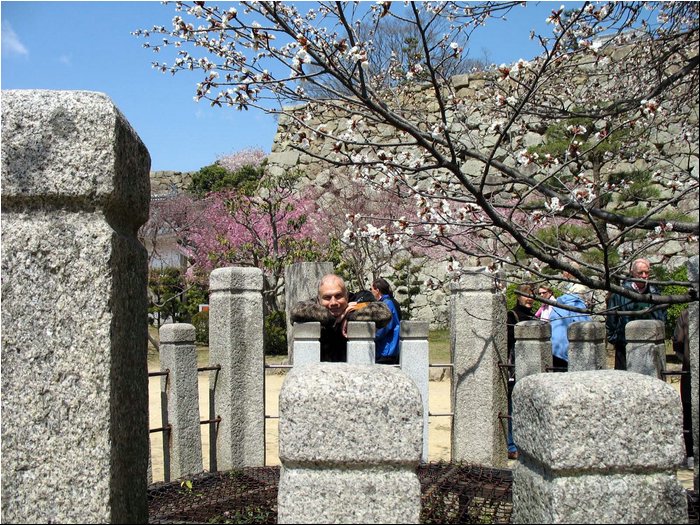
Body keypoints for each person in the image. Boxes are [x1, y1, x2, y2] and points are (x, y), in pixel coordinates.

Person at [290, 274, 391, 362]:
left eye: (338, 296)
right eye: (327, 297)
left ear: (347, 296)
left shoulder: (357, 299)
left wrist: (350, 315)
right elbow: (296, 312)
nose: (333, 302)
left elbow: (384, 313)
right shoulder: (313, 305)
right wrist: (334, 319)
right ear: (318, 299)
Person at [605, 258, 667, 370]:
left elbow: (662, 317)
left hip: (650, 347)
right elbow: (611, 320)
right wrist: (617, 340)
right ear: (633, 273)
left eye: (647, 272)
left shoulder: (655, 293)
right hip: (624, 347)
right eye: (640, 273)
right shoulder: (620, 293)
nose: (644, 276)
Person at [506, 283, 536, 460]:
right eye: (526, 294)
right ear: (518, 296)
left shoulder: (535, 316)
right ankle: (512, 444)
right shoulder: (512, 315)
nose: (530, 297)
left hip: (533, 367)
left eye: (532, 294)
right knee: (513, 406)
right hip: (517, 367)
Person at [548, 291, 592, 371]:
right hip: (566, 350)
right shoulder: (578, 305)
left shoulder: (558, 304)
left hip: (553, 347)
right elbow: (587, 328)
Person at [673, 308, 694, 468]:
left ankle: (691, 454)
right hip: (690, 369)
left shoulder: (687, 313)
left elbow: (678, 342)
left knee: (689, 411)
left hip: (691, 369)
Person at [370, 277, 402, 364]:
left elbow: (385, 326)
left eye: (371, 289)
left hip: (387, 349)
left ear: (377, 290)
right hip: (391, 347)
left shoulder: (387, 304)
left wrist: (372, 336)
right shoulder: (392, 301)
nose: (371, 292)